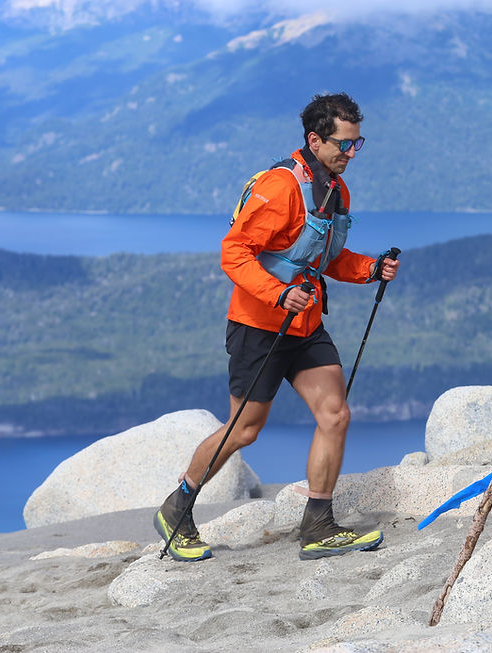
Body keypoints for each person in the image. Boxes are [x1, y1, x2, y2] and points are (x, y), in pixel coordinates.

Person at [154, 92, 399, 562]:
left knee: (336, 414)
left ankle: (319, 525)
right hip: (259, 325)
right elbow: (234, 253)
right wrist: (278, 293)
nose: (351, 153)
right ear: (315, 139)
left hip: (304, 323)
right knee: (244, 430)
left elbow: (322, 257)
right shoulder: (280, 187)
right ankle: (178, 506)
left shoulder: (335, 190)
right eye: (343, 145)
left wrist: (370, 269)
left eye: (357, 144)